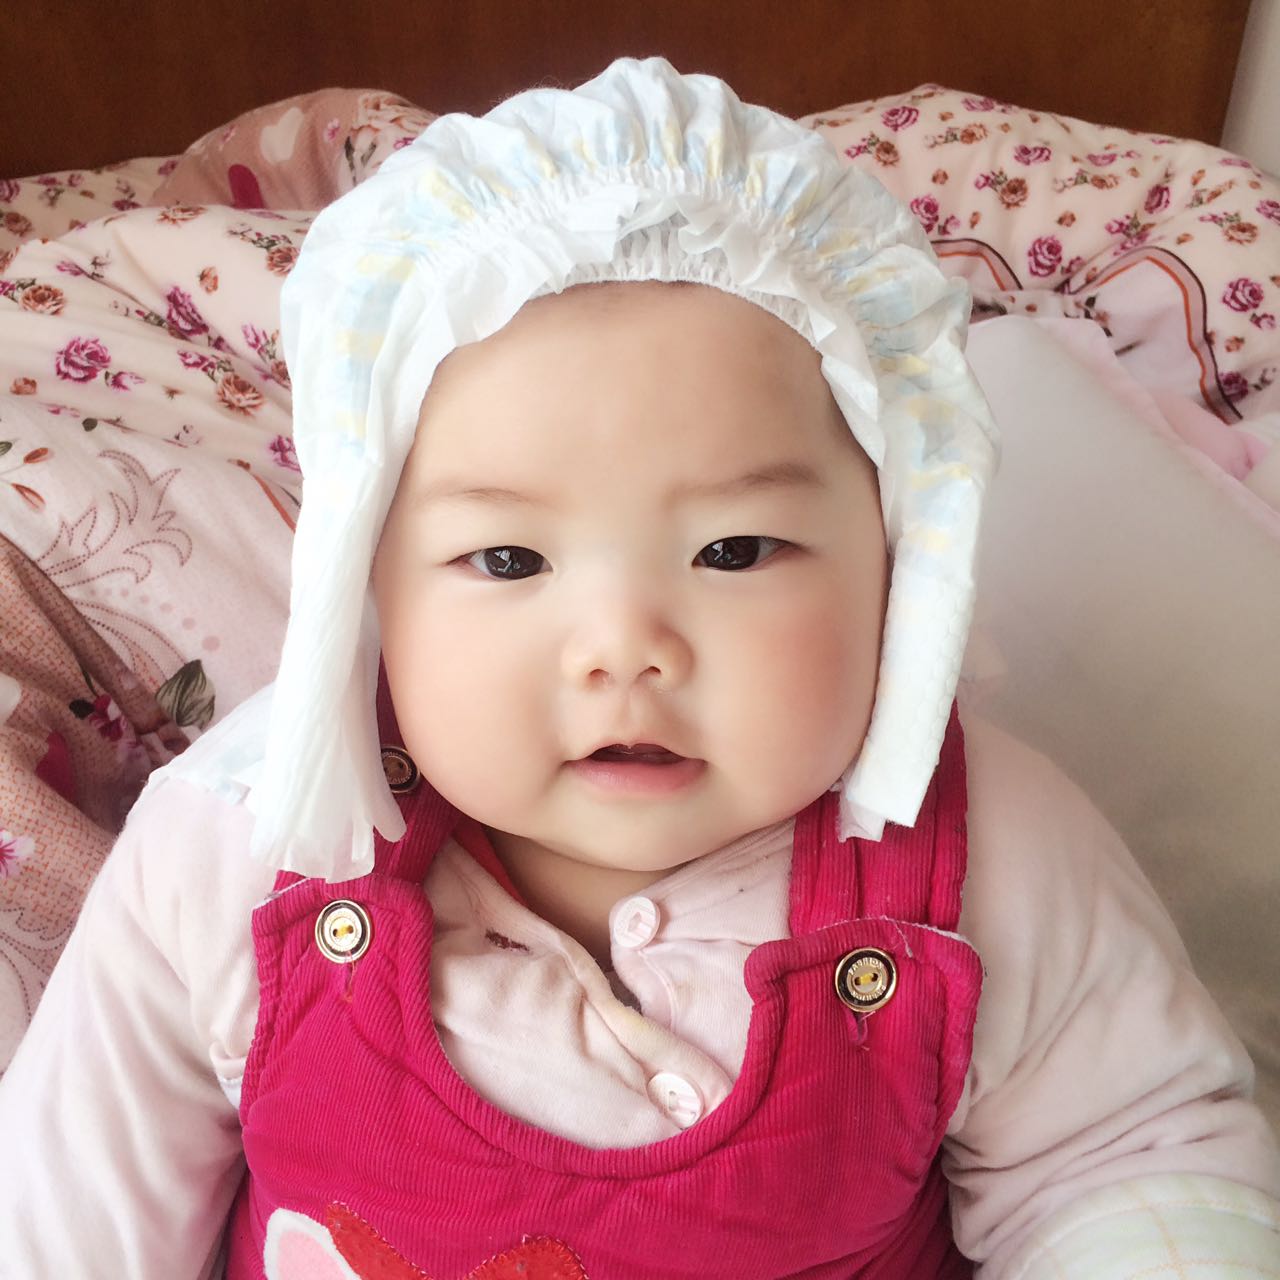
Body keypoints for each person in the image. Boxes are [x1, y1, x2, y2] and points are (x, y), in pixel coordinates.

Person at [0, 56, 1277, 1280]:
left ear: (898, 566)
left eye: (733, 549)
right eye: (507, 558)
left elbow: (1119, 1160)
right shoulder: (235, 847)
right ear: (368, 586)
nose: (623, 646)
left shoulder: (990, 863)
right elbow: (70, 1218)